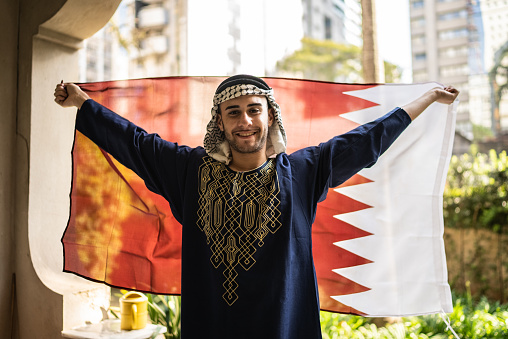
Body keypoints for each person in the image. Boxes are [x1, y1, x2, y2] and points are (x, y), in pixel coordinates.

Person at [54, 75, 458, 339]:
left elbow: (367, 139)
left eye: (253, 110)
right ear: (221, 123)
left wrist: (426, 98)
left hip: (283, 328)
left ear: (270, 118)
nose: (245, 121)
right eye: (234, 112)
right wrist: (83, 103)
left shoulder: (303, 171)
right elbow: (135, 143)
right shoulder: (189, 170)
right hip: (211, 327)